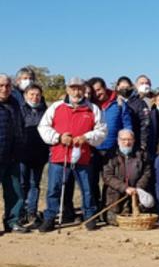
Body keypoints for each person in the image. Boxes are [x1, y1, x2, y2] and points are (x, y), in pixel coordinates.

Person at [37, 77, 107, 232]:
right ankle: (50, 217)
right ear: (67, 90)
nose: (76, 92)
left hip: (82, 155)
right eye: (73, 88)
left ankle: (89, 216)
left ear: (84, 90)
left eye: (80, 88)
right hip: (59, 155)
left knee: (87, 188)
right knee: (53, 188)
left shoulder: (93, 109)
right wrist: (59, 137)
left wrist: (86, 137)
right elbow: (43, 127)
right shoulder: (56, 107)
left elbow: (102, 131)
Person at [90, 77, 133, 207]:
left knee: (112, 180)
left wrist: (127, 141)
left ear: (105, 87)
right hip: (93, 149)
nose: (97, 93)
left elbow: (127, 125)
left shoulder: (119, 103)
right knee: (92, 181)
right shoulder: (89, 104)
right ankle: (94, 208)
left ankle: (109, 207)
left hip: (113, 150)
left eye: (99, 89)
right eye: (93, 91)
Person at [102, 129, 153, 226]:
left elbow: (147, 172)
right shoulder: (110, 155)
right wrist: (125, 188)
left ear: (134, 140)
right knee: (115, 221)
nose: (127, 142)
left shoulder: (142, 154)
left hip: (136, 191)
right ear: (118, 141)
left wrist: (138, 188)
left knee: (139, 219)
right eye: (123, 140)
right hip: (116, 194)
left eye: (130, 139)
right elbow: (107, 176)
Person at [18, 82, 49, 228]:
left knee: (34, 184)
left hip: (40, 154)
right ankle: (21, 211)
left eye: (37, 95)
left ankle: (32, 211)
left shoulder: (46, 111)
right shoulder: (20, 110)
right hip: (23, 153)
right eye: (32, 94)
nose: (35, 97)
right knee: (22, 184)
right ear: (25, 96)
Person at [0, 74, 27, 233]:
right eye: (1, 86)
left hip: (12, 155)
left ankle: (13, 221)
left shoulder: (15, 103)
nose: (4, 89)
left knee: (15, 192)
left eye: (7, 86)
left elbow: (20, 127)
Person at [118, 76, 152, 159]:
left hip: (135, 142)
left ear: (131, 87)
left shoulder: (139, 103)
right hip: (118, 143)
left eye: (127, 87)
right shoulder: (115, 102)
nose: (124, 89)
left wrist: (143, 143)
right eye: (122, 87)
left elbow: (145, 123)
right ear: (117, 87)